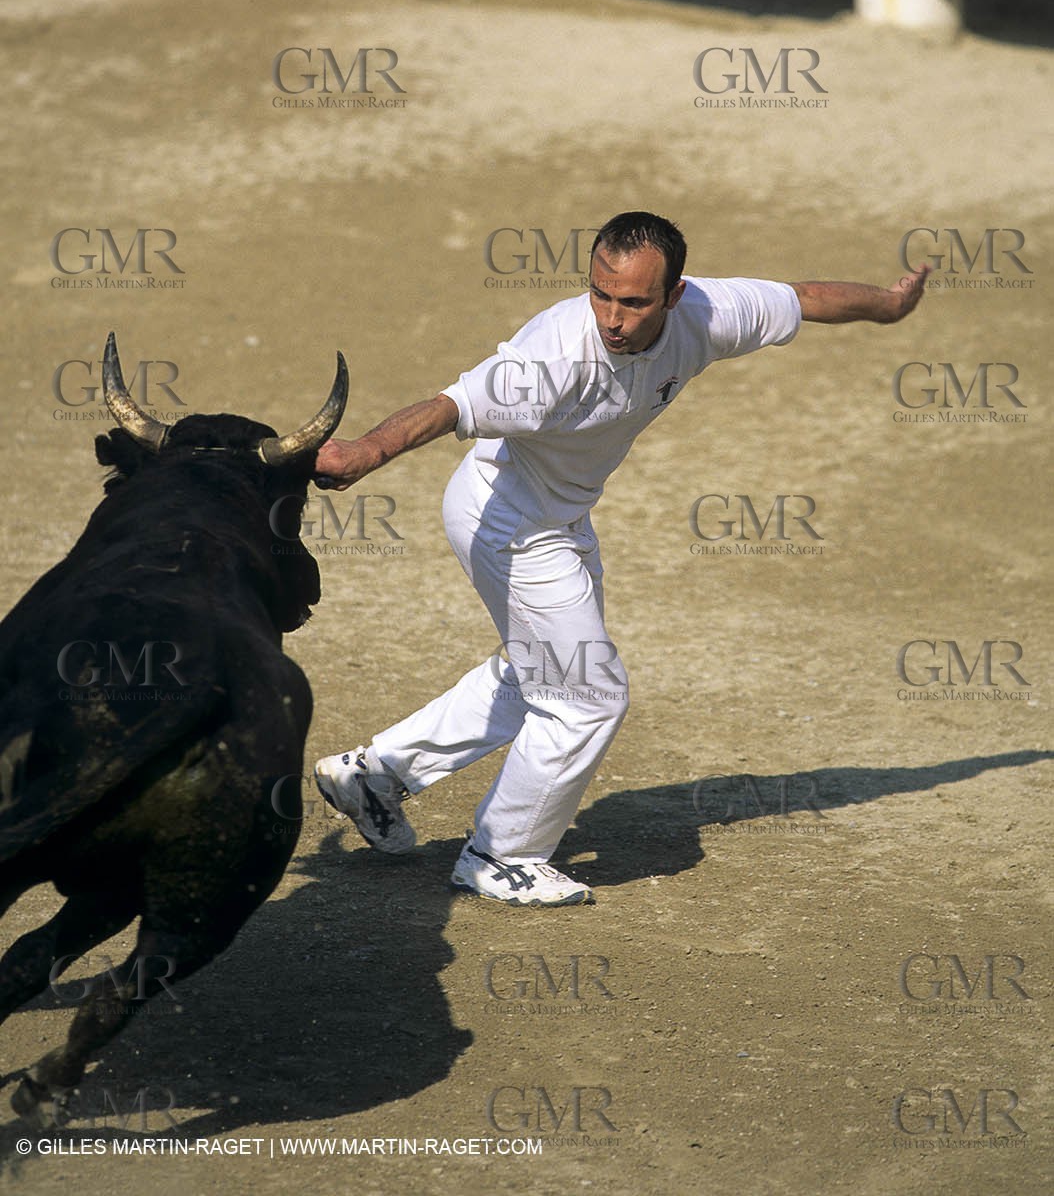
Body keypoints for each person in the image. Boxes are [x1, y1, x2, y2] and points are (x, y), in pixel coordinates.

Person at [313, 212, 928, 906]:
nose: (611, 316)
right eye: (600, 294)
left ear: (673, 296)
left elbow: (805, 297)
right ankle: (501, 856)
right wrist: (366, 453)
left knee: (540, 672)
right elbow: (448, 405)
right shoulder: (552, 356)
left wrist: (891, 305)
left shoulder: (710, 314)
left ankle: (376, 775)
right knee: (586, 694)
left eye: (633, 301)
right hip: (506, 519)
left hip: (559, 515)